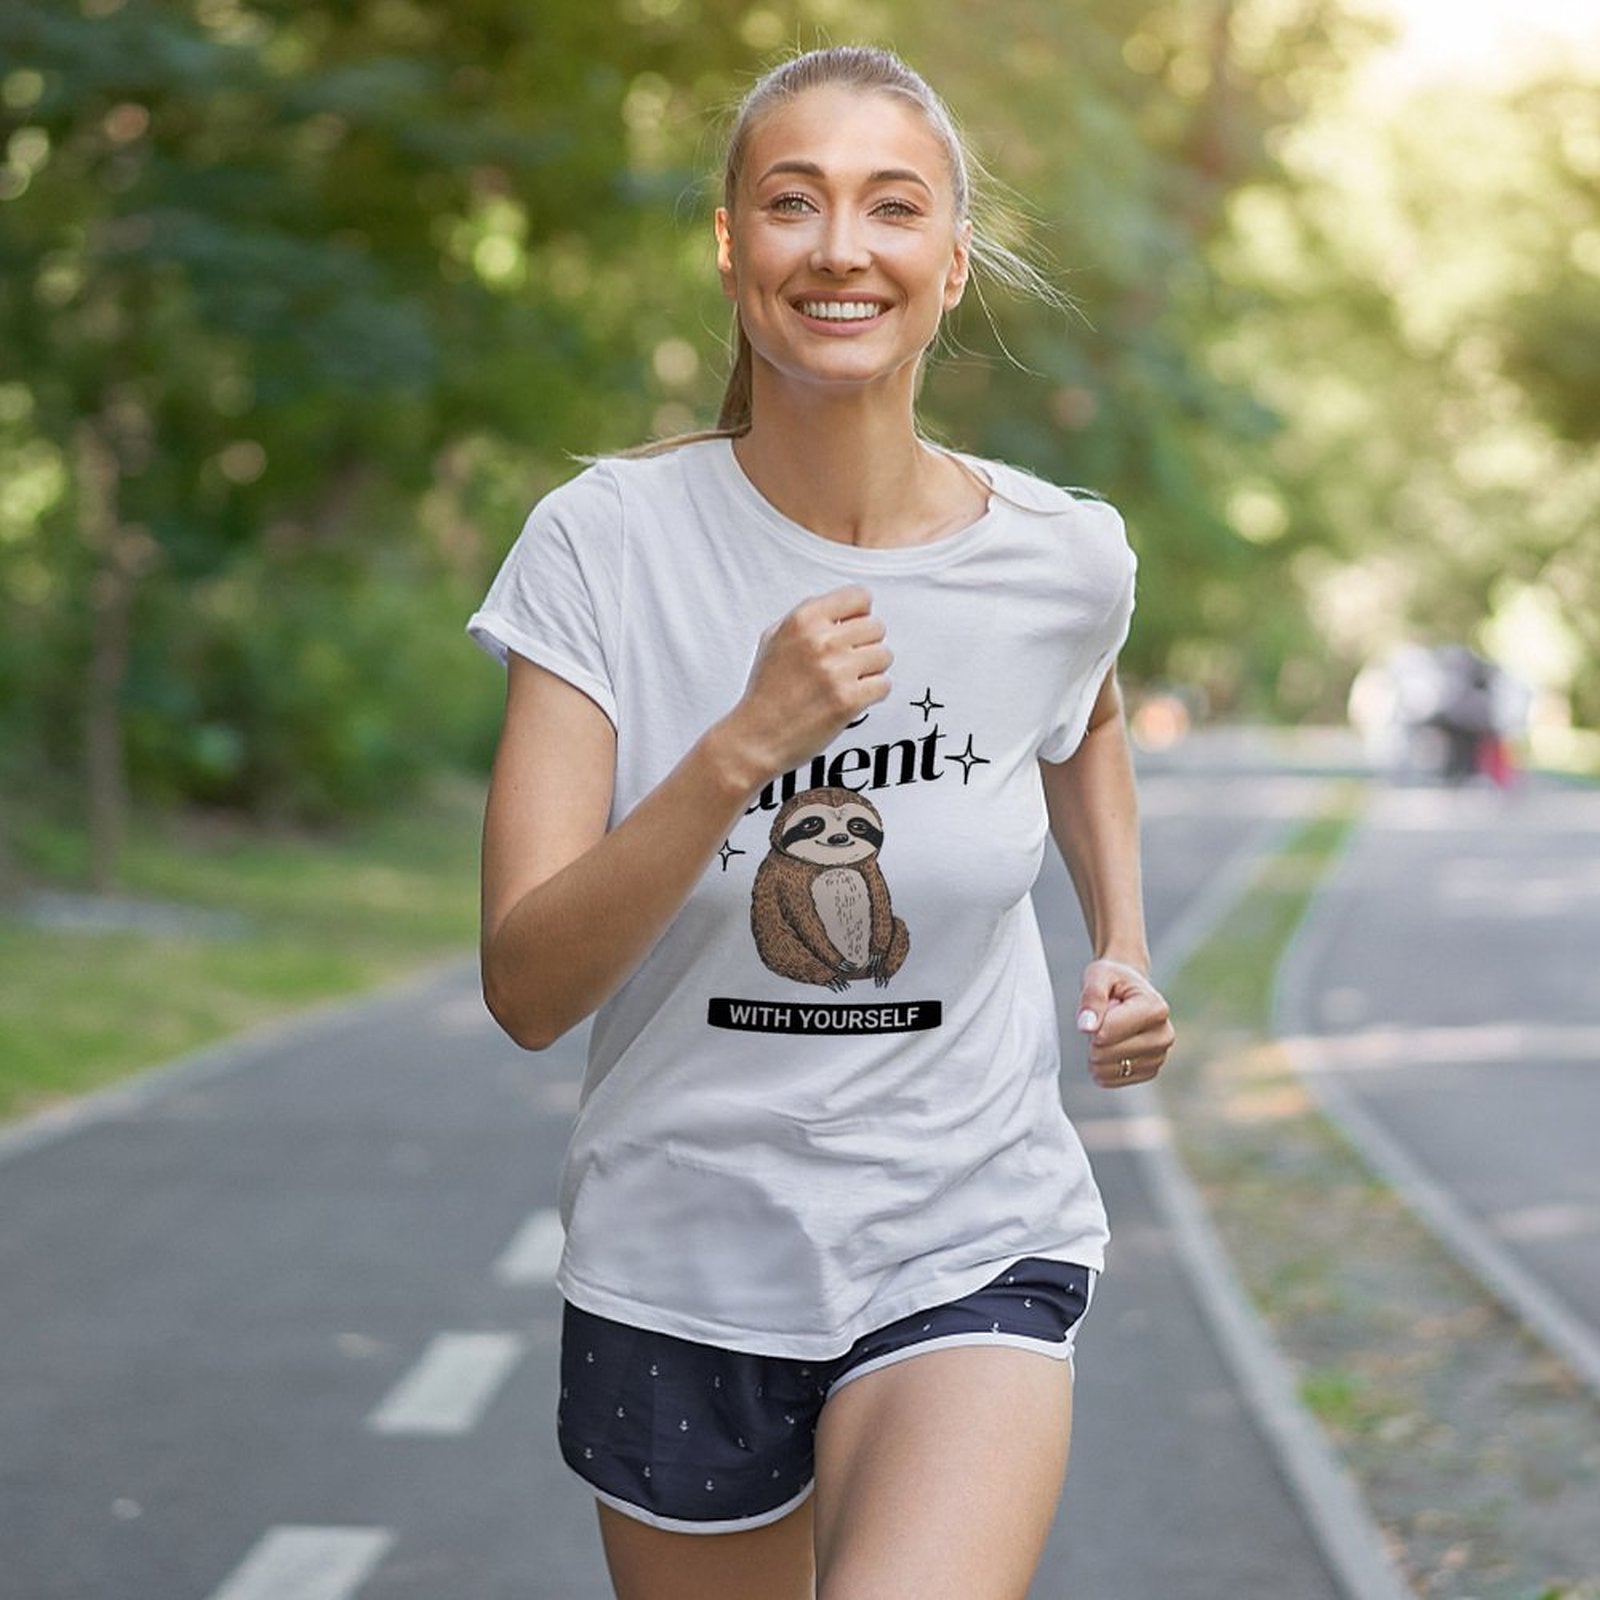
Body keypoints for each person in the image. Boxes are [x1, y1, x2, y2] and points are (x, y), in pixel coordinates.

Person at [469, 44, 1174, 1600]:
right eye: (793, 203)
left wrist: (1122, 937)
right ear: (732, 246)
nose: (841, 246)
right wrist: (742, 749)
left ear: (949, 261)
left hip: (967, 1231)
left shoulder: (1061, 559)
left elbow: (1090, 711)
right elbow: (526, 987)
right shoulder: (603, 547)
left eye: (890, 207)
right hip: (679, 1263)